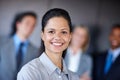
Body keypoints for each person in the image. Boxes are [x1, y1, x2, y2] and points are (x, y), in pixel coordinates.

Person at [17, 8, 79, 80]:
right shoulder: (29, 73)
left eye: (63, 32)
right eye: (51, 31)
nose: (57, 37)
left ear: (70, 36)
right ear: (42, 35)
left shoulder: (74, 77)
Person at [0, 12, 40, 80]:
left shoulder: (36, 51)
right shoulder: (1, 42)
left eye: (33, 25)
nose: (30, 27)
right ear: (18, 24)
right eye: (27, 23)